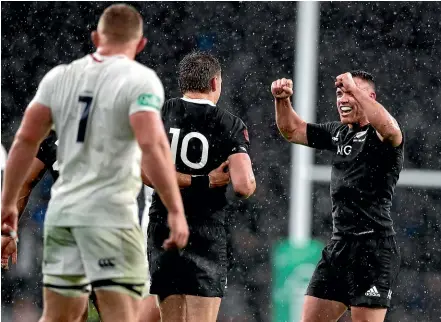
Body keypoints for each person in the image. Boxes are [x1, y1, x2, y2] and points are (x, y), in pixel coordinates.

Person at [1, 4, 189, 322]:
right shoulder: (141, 80)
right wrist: (175, 210)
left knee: (59, 317)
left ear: (95, 37)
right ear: (140, 44)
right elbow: (151, 143)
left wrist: (7, 209)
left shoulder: (60, 77)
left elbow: (24, 141)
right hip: (111, 216)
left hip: (65, 217)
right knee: (121, 316)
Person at [272, 71, 403, 322]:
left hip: (373, 249)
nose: (343, 97)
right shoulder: (340, 133)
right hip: (339, 247)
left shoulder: (384, 136)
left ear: (371, 98)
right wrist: (282, 100)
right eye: (340, 93)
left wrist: (354, 88)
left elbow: (391, 128)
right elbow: (293, 130)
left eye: (352, 92)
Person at [144, 51, 256, 322]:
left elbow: (144, 171)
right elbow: (243, 186)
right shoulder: (229, 124)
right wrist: (208, 180)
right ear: (216, 83)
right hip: (206, 230)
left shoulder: (160, 113)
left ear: (183, 83)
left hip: (165, 224)